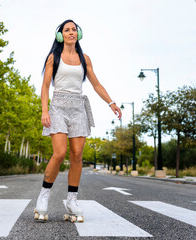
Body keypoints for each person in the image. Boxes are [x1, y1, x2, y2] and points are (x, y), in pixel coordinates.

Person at [34, 19, 122, 222]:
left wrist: (111, 103)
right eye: (67, 30)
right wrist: (44, 110)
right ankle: (44, 194)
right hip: (58, 107)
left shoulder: (85, 58)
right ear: (60, 35)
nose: (71, 32)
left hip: (78, 107)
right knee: (59, 153)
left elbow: (96, 84)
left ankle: (72, 200)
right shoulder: (53, 57)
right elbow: (46, 86)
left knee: (77, 155)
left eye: (74, 29)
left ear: (78, 34)